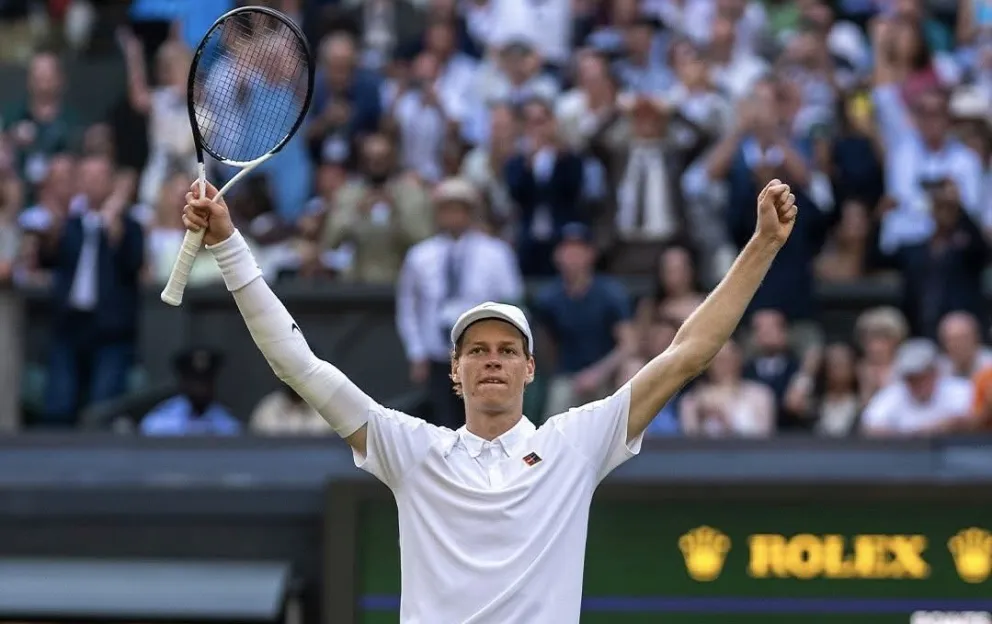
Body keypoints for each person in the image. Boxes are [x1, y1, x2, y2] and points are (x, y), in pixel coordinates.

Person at [180, 177, 798, 622]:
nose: (493, 359)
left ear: (530, 366)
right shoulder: (411, 449)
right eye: (477, 351)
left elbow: (688, 353)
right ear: (455, 371)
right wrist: (231, 246)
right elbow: (298, 363)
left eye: (507, 349)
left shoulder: (574, 443)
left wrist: (763, 246)